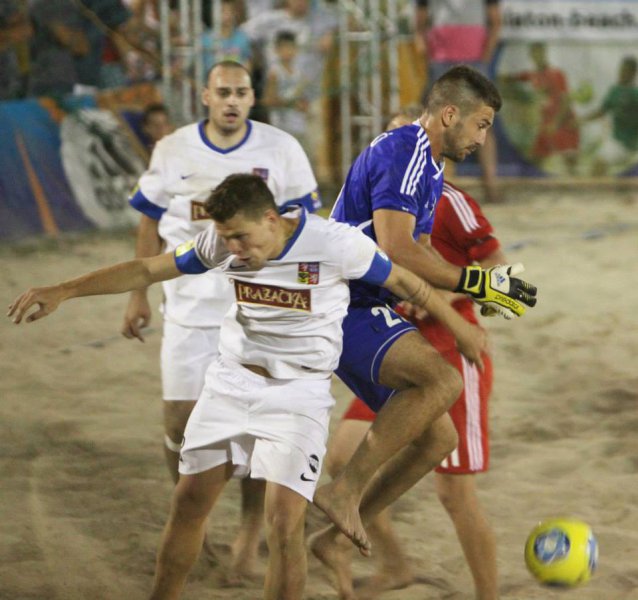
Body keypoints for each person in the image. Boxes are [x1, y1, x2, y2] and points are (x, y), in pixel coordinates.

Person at [9, 172, 500, 600]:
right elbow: (147, 268)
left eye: (242, 238)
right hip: (230, 384)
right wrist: (65, 289)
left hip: (298, 397)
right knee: (188, 503)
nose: (235, 251)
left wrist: (459, 329)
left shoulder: (333, 244)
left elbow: (410, 285)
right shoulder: (221, 243)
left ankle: (344, 498)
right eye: (227, 240)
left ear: (271, 218)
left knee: (285, 524)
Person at [311, 65, 537, 560]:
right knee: (443, 384)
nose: (482, 138)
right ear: (449, 114)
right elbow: (397, 250)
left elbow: (420, 255)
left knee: (438, 437)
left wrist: (478, 294)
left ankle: (334, 536)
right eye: (480, 124)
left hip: (367, 301)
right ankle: (343, 492)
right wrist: (477, 283)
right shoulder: (407, 149)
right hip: (339, 301)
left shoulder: (430, 168)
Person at [122, 60, 321, 581]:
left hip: (259, 314)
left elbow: (305, 226)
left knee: (258, 432)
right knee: (180, 425)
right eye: (223, 92)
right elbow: (149, 223)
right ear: (205, 96)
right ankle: (196, 519)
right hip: (188, 312)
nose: (232, 101)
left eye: (242, 92)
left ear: (253, 98)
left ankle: (248, 536)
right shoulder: (173, 149)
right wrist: (136, 296)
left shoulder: (282, 149)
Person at [320, 172, 505, 599]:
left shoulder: (452, 202)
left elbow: (498, 271)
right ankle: (395, 564)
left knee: (455, 494)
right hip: (399, 348)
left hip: (451, 353)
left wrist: (441, 300)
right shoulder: (375, 201)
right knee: (343, 456)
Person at [414, 0, 503, 203]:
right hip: (440, 63)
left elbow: (496, 22)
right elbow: (419, 23)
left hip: (475, 63)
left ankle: (491, 185)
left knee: (483, 125)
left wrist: (485, 57)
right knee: (434, 125)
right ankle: (425, 185)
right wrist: (425, 50)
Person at [502, 42, 580, 175]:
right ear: (531, 55)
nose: (538, 56)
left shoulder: (556, 74)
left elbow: (565, 100)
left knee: (570, 166)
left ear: (545, 53)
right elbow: (517, 78)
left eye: (540, 52)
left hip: (562, 124)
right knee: (536, 162)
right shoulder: (533, 75)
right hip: (546, 125)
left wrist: (556, 122)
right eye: (535, 53)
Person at [581, 55, 638, 176]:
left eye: (625, 71)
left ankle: (597, 191)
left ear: (633, 73)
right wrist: (582, 120)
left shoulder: (635, 94)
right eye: (621, 70)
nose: (621, 73)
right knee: (596, 165)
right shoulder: (614, 91)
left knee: (599, 164)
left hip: (628, 144)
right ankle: (599, 191)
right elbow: (602, 111)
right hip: (615, 140)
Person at [261, 30, 310, 153]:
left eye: (290, 48)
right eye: (284, 48)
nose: (287, 51)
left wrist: (304, 106)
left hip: (299, 126)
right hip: (281, 127)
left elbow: (303, 99)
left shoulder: (299, 73)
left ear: (296, 50)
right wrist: (291, 104)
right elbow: (268, 100)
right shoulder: (275, 72)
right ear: (277, 50)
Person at [200, 0, 252, 75]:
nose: (228, 15)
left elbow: (248, 63)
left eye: (231, 11)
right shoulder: (205, 39)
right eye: (223, 11)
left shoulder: (242, 37)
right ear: (214, 13)